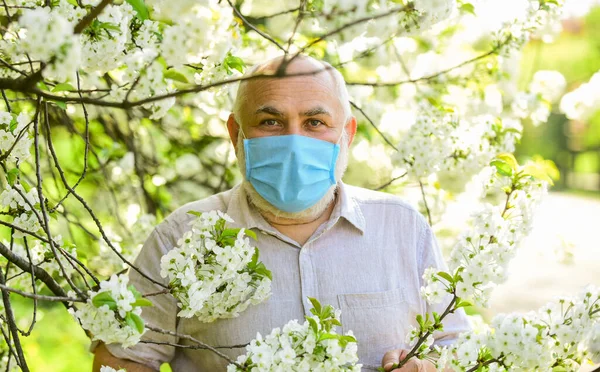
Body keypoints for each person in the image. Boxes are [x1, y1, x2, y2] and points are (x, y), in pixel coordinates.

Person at [93, 55, 471, 372]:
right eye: (270, 122)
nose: (294, 143)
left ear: (346, 135)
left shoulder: (403, 228)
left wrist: (428, 365)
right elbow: (123, 358)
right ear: (235, 133)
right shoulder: (180, 237)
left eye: (315, 123)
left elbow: (452, 344)